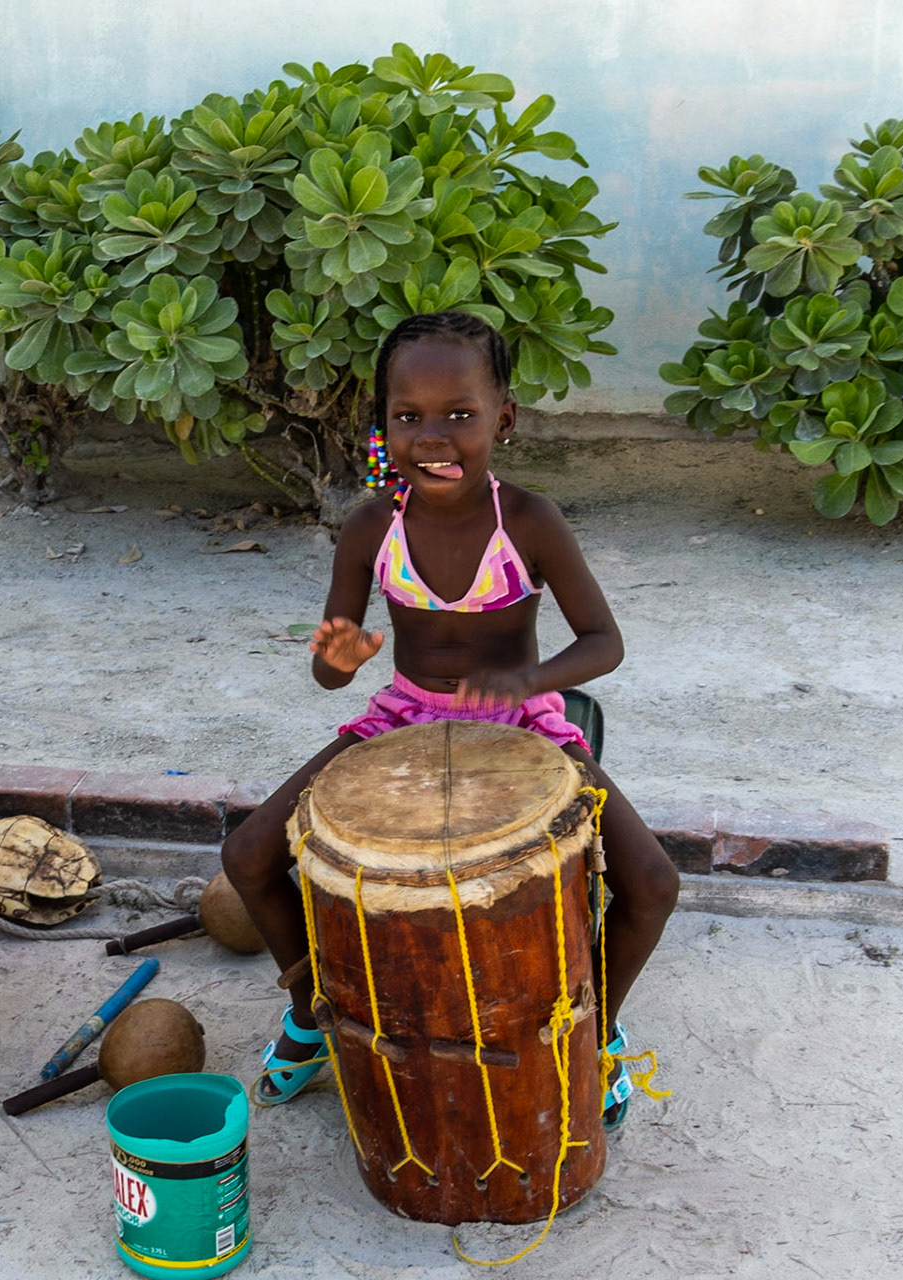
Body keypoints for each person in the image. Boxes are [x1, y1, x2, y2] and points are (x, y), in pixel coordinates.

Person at [219, 311, 679, 1127]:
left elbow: (604, 643)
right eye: (409, 417)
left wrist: (524, 680)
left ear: (504, 418)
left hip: (524, 725)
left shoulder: (528, 521)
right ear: (383, 423)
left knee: (651, 881)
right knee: (250, 852)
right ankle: (313, 1012)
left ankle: (592, 1030)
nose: (434, 437)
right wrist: (341, 656)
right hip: (402, 717)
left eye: (460, 415)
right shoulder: (371, 527)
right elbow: (328, 674)